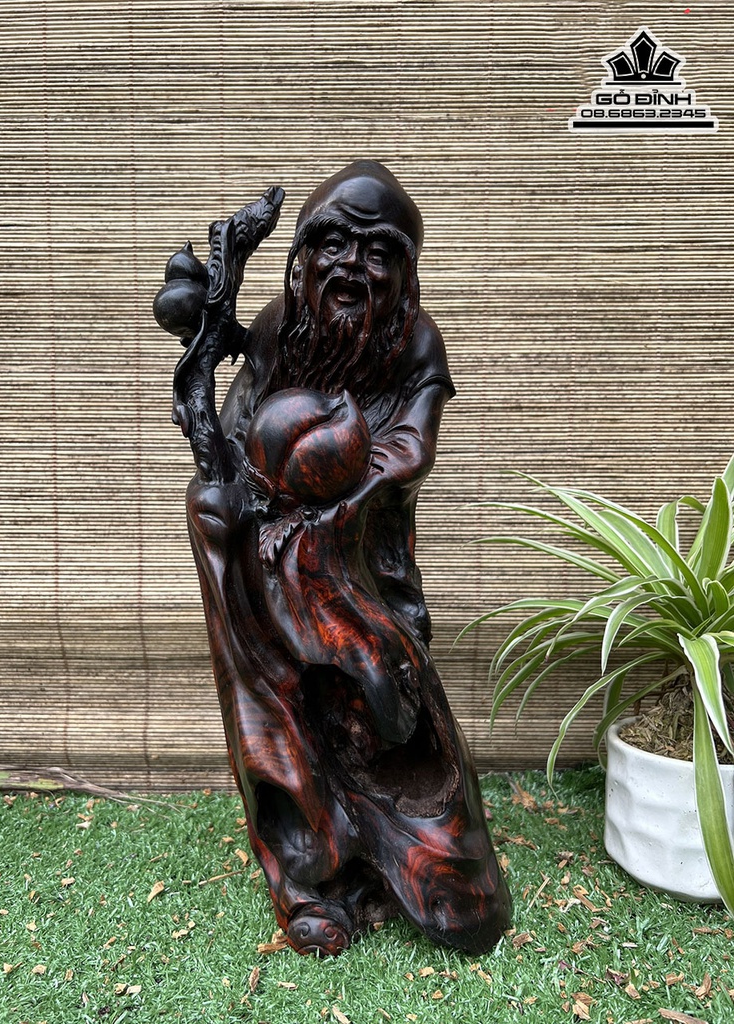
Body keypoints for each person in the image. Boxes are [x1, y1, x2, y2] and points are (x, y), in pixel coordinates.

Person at [168, 161, 511, 955]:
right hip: (264, 547)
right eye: (333, 246)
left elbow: (410, 447)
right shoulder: (277, 325)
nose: (352, 266)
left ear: (405, 275)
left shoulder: (416, 342)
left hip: (362, 558)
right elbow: (239, 421)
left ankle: (434, 867)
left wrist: (335, 503)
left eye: (377, 252)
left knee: (386, 705)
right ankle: (310, 873)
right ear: (300, 259)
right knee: (273, 692)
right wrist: (241, 483)